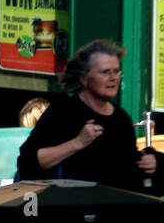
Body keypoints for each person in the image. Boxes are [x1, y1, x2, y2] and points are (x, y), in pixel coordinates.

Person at [17, 39, 155, 190]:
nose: (113, 78)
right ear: (84, 78)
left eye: (116, 71)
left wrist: (146, 162)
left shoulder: (121, 118)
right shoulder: (62, 112)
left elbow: (127, 167)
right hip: (69, 207)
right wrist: (78, 143)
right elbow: (28, 162)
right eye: (105, 72)